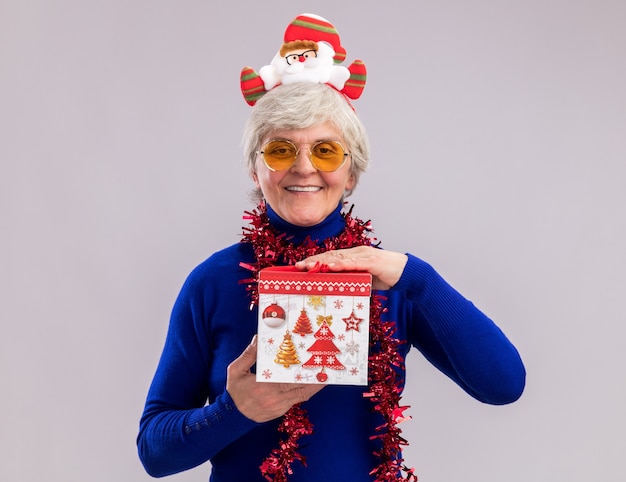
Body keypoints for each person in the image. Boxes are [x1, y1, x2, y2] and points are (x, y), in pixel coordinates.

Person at [137, 13, 525, 482]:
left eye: (325, 151)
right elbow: (154, 452)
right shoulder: (212, 282)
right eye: (280, 150)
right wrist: (234, 409)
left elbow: (504, 385)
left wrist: (417, 278)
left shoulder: (391, 279)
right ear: (254, 169)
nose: (304, 169)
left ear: (352, 170)